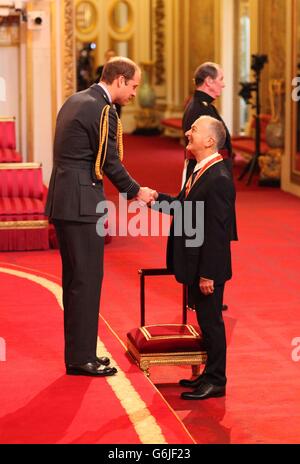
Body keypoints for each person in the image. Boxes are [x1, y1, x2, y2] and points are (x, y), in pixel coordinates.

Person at [45, 57, 156, 377]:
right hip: (81, 204)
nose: (135, 92)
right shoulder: (103, 109)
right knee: (86, 281)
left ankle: (81, 353)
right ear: (119, 80)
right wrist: (137, 191)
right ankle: (81, 359)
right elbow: (109, 162)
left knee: (76, 281)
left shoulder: (75, 100)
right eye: (134, 85)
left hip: (64, 199)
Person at [153, 116, 236, 400]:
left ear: (210, 141)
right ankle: (208, 374)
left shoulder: (219, 178)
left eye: (195, 130)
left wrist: (208, 274)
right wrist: (153, 199)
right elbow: (184, 207)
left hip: (208, 267)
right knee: (205, 319)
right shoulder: (200, 170)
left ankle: (217, 380)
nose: (188, 132)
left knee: (212, 323)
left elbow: (217, 234)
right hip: (196, 261)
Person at [95, 49, 121, 117]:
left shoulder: (120, 71)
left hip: (116, 100)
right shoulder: (100, 69)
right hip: (102, 99)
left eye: (112, 56)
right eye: (109, 56)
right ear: (105, 57)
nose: (110, 58)